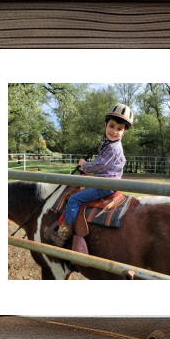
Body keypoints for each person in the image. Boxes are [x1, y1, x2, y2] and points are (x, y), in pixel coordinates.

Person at [49, 103, 134, 247]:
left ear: (124, 132)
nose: (114, 131)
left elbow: (100, 166)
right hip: (104, 181)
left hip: (105, 185)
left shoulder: (113, 147)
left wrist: (84, 165)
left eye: (119, 129)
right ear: (105, 125)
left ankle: (63, 233)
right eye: (112, 126)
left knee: (75, 199)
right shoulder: (108, 143)